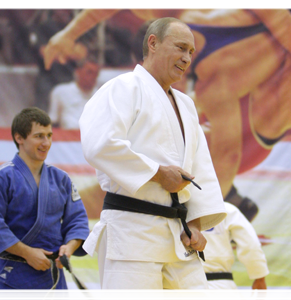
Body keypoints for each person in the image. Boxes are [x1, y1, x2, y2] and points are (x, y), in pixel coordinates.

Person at [43, 8, 291, 222]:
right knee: (139, 178)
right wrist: (67, 34)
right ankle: (229, 200)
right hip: (269, 112)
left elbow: (227, 154)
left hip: (255, 122)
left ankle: (51, 211)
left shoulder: (216, 70)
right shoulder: (203, 39)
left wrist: (68, 34)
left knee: (135, 184)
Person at [79, 18, 227, 299]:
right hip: (132, 232)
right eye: (181, 48)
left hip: (179, 237)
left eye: (191, 52)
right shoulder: (122, 88)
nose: (186, 58)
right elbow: (100, 145)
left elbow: (200, 170)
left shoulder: (186, 104)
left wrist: (195, 225)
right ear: (153, 43)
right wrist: (158, 173)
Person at [0, 107, 90, 299]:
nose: (46, 143)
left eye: (49, 135)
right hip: (15, 277)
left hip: (53, 278)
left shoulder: (61, 179)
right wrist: (26, 253)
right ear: (19, 138)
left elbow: (77, 220)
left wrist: (68, 248)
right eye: (39, 136)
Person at [202, 202, 268, 300]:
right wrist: (259, 277)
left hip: (181, 287)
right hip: (220, 288)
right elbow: (250, 244)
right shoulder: (225, 209)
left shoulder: (174, 211)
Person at [49, 57, 101, 129]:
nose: (93, 77)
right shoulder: (60, 92)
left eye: (96, 74)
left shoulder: (101, 95)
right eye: (89, 72)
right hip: (67, 137)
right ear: (78, 72)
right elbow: (53, 121)